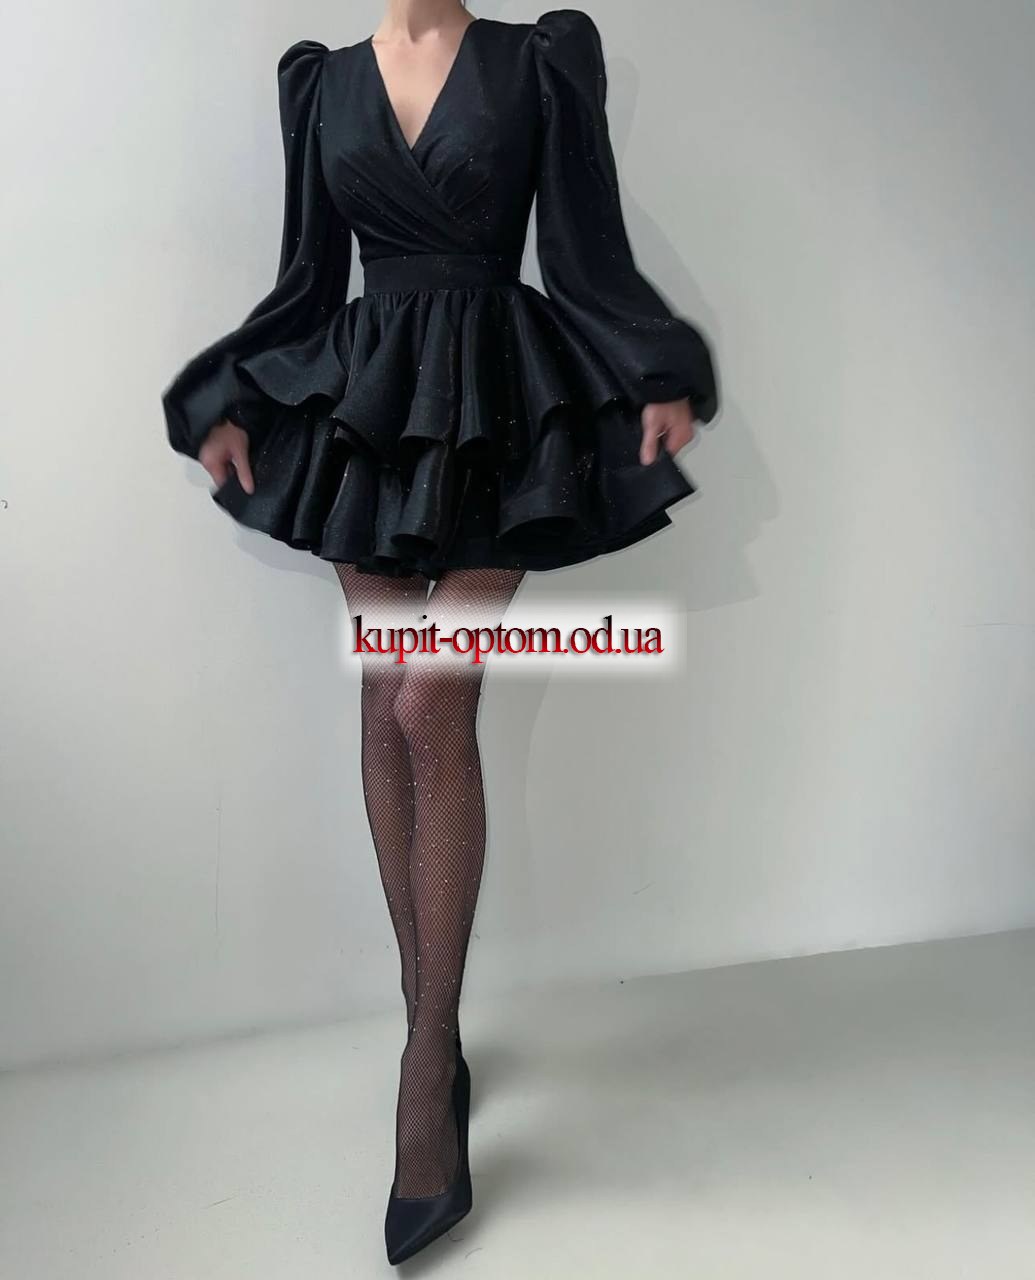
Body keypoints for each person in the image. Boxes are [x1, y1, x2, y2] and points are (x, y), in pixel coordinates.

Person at [161, 1, 719, 1265]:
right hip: (367, 402)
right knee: (383, 698)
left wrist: (655, 367)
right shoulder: (321, 82)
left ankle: (425, 1065)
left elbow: (581, 247)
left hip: (499, 403)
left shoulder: (539, 59)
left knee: (429, 699)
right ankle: (435, 1019)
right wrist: (229, 394)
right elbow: (308, 279)